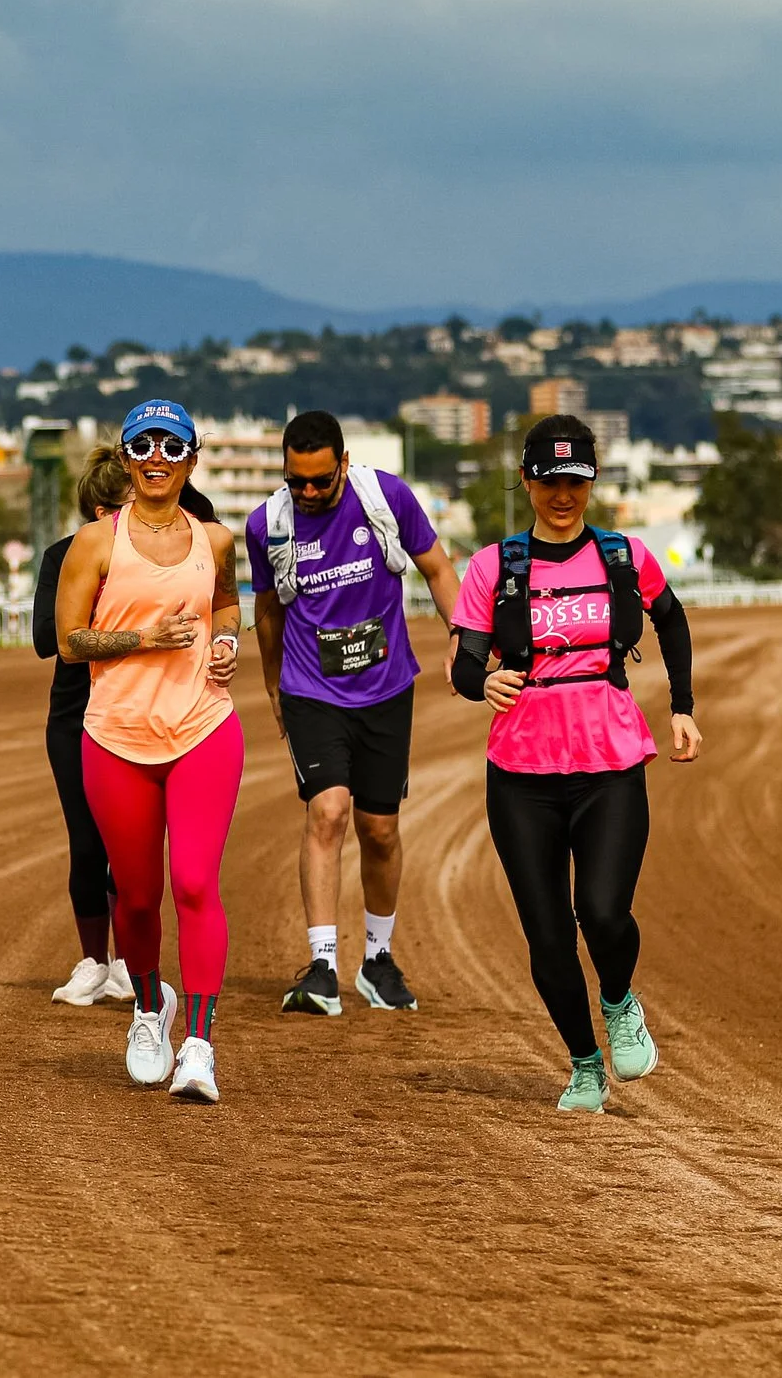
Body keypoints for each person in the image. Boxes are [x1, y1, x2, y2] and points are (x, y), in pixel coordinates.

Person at [449, 415, 699, 1113]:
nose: (563, 493)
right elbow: (467, 660)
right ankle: (584, 1061)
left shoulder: (625, 556)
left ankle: (619, 999)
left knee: (603, 911)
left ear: (591, 482)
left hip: (610, 761)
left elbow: (670, 618)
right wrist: (482, 683)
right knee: (549, 933)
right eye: (550, 479)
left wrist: (681, 704)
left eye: (576, 480)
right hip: (521, 775)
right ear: (527, 480)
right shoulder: (493, 567)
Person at [54, 399, 244, 1104]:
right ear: (128, 460)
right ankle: (146, 1009)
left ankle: (198, 1045)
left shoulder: (216, 541)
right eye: (144, 446)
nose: (158, 457)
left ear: (192, 458)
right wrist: (142, 641)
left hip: (203, 729)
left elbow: (225, 604)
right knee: (135, 897)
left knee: (194, 882)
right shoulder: (95, 544)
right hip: (115, 737)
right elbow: (70, 640)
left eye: (172, 446)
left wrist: (225, 641)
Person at [248, 410, 461, 1017]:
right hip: (311, 690)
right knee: (328, 811)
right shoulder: (269, 525)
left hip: (388, 689)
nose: (309, 493)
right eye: (297, 482)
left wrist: (462, 637)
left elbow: (439, 569)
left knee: (380, 830)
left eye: (320, 481)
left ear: (343, 464)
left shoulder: (385, 497)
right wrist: (271, 683)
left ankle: (378, 959)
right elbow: (267, 607)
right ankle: (321, 966)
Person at [33, 446, 134, 1007]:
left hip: (139, 713)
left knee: (133, 846)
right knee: (87, 843)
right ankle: (95, 961)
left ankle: (130, 962)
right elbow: (50, 640)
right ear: (100, 513)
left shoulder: (156, 556)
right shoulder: (60, 557)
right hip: (75, 719)